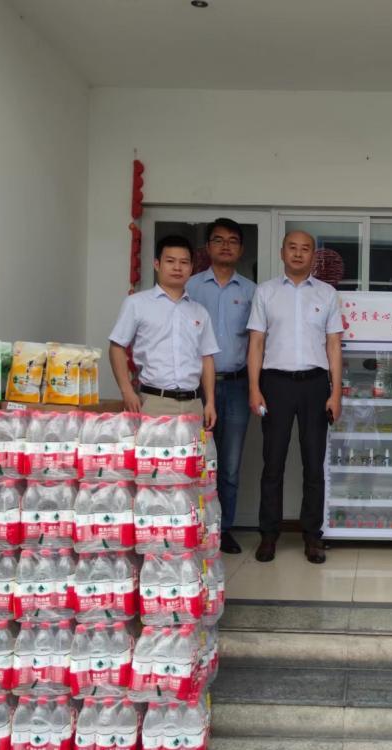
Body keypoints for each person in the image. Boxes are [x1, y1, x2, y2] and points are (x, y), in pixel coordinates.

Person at [247, 230, 343, 565]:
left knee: (314, 463)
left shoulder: (327, 294)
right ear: (282, 252)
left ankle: (312, 536)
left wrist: (336, 392)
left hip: (315, 385)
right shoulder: (266, 292)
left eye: (305, 249)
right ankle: (268, 534)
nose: (299, 254)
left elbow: (334, 345)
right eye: (293, 248)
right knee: (272, 462)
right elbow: (256, 342)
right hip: (275, 384)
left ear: (314, 256)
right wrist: (254, 387)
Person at [187, 218, 256, 556]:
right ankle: (193, 527)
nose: (226, 246)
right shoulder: (190, 287)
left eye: (232, 241)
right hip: (196, 389)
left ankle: (222, 528)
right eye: (218, 240)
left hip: (237, 386)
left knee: (228, 464)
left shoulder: (251, 291)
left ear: (240, 249)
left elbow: (258, 343)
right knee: (195, 460)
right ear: (208, 247)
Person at [108, 234, 218, 428]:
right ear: (157, 264)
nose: (177, 267)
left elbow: (207, 358)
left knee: (194, 449)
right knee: (153, 450)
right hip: (153, 402)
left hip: (193, 404)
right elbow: (116, 346)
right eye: (170, 261)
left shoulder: (199, 311)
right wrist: (127, 391)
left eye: (184, 262)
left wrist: (210, 402)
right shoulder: (136, 303)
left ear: (191, 268)